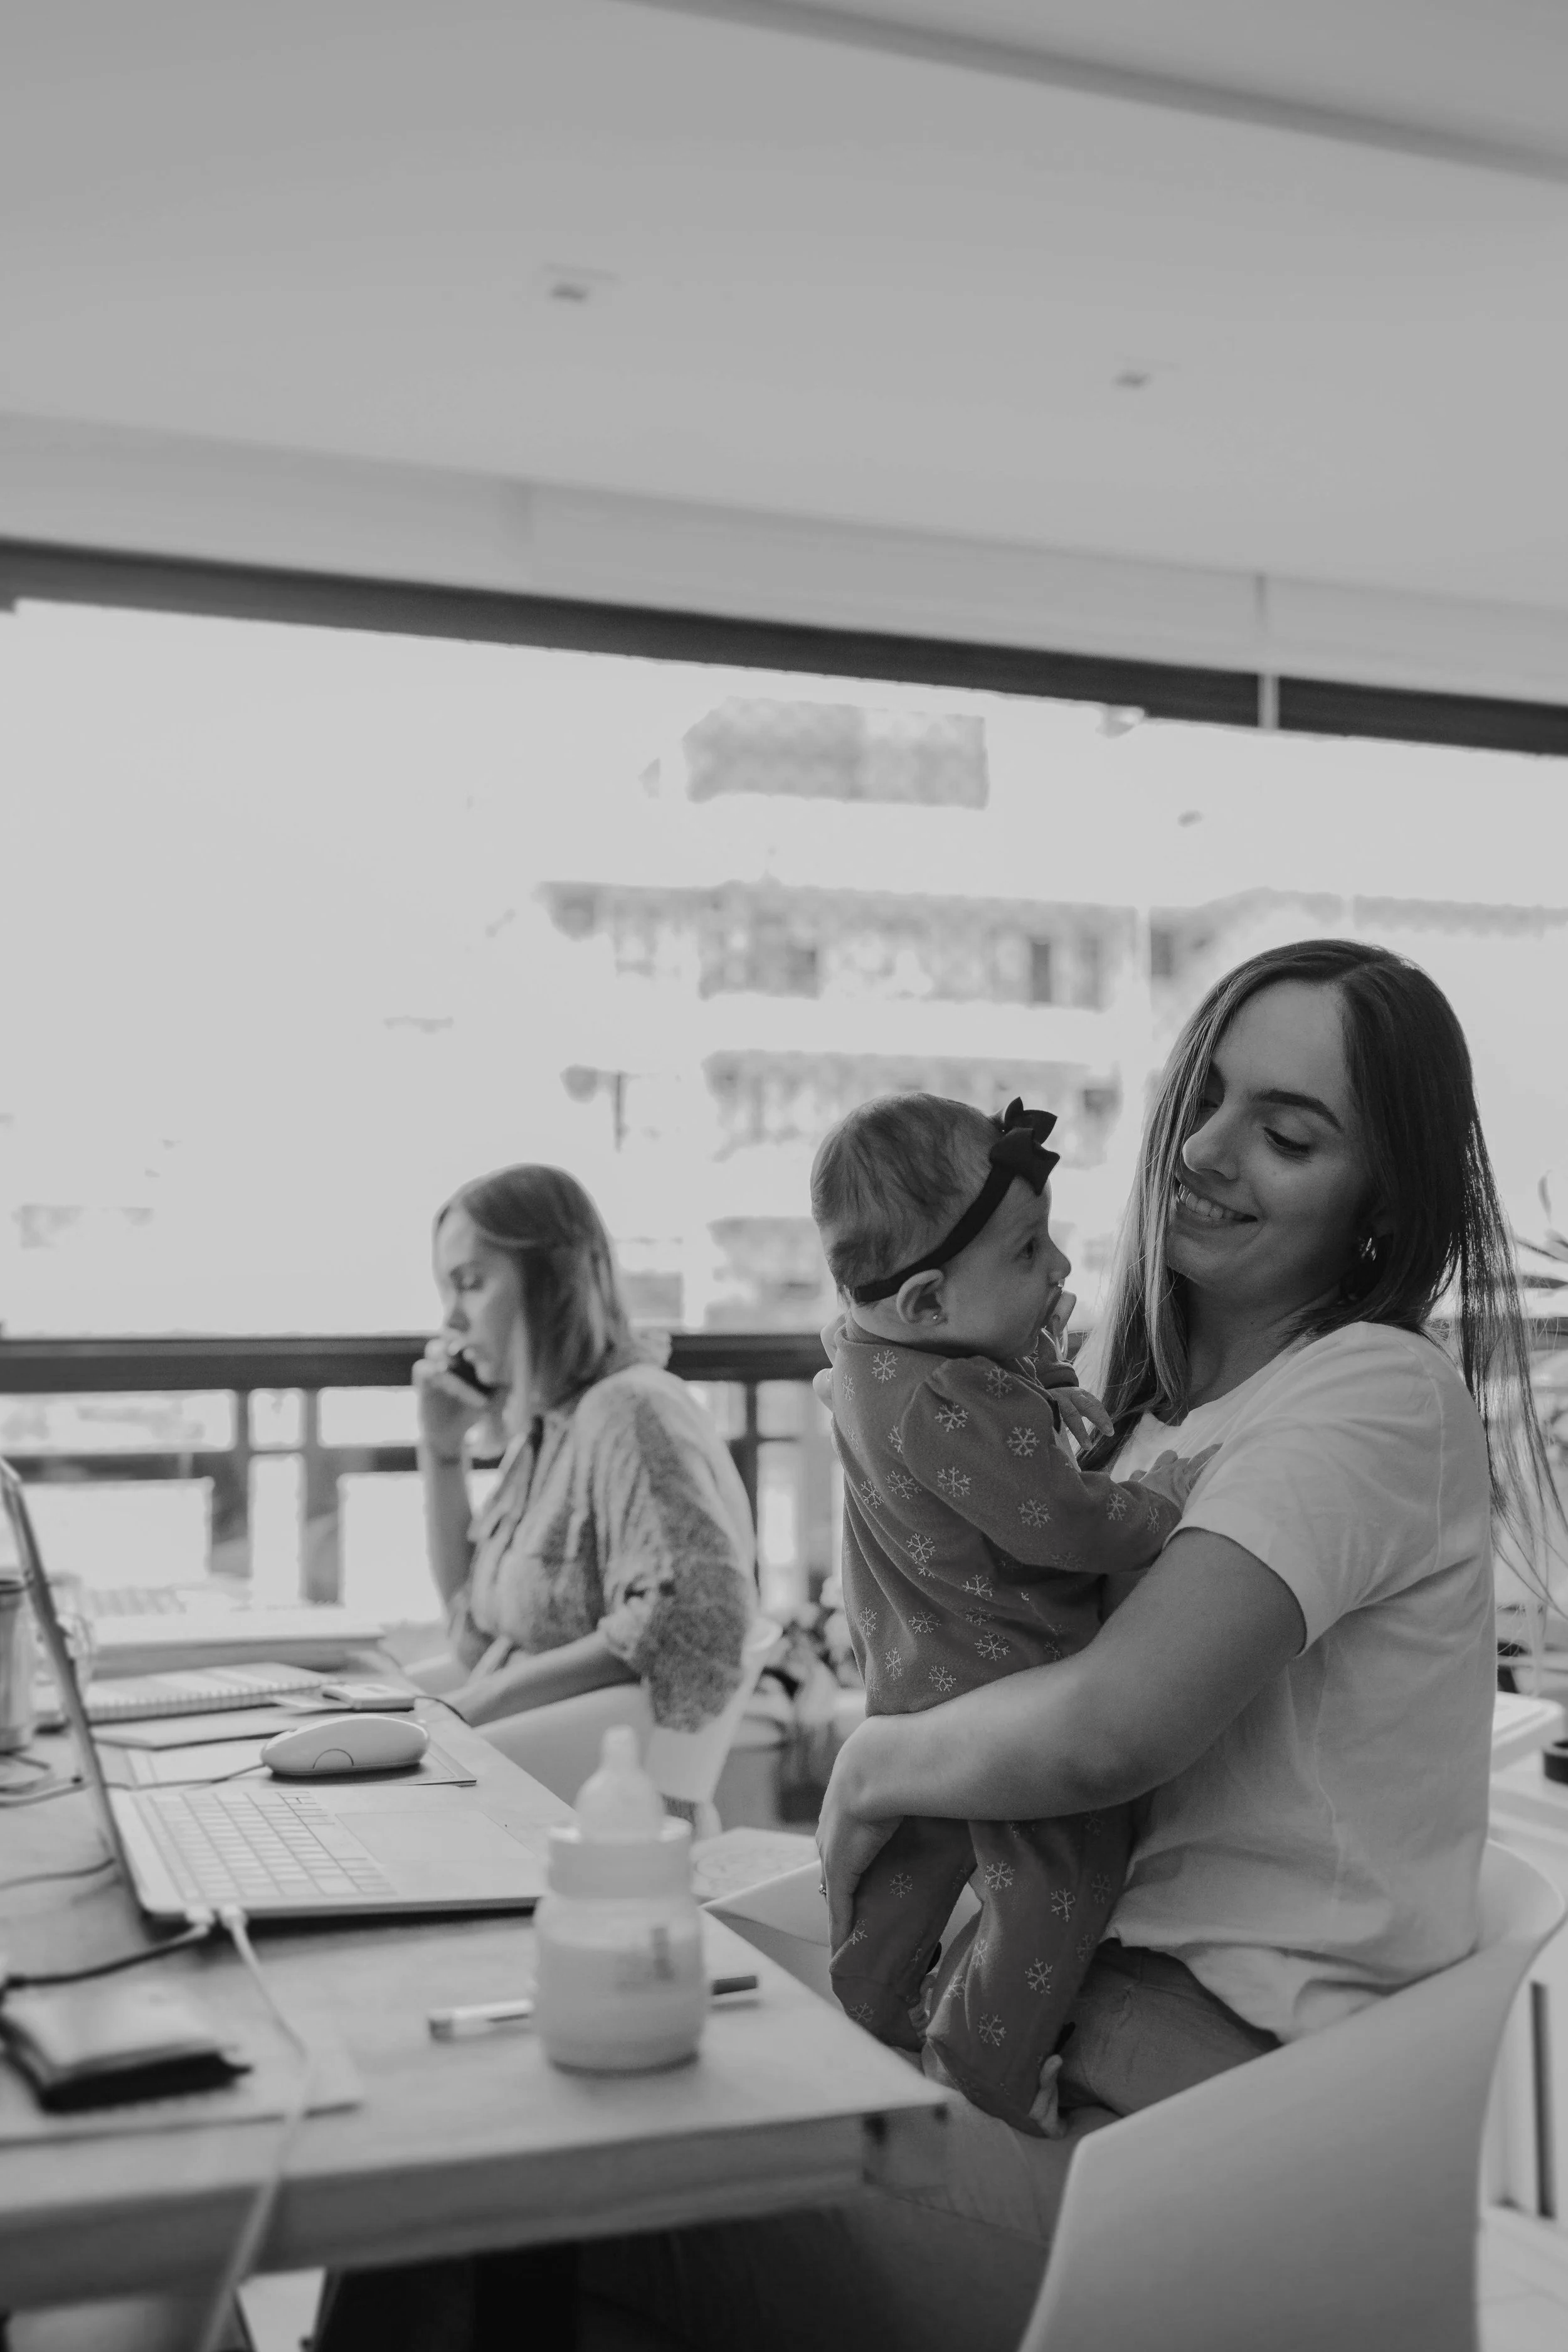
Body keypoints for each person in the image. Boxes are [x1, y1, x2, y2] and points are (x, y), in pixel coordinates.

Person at [319, 939, 1553, 2352]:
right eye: (1204, 1096)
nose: (1206, 1150)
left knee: (497, 2185)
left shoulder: (1368, 1394)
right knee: (488, 2131)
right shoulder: (1124, 1413)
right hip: (1043, 2021)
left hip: (1178, 2153)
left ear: (1378, 1198)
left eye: (1283, 1131)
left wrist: (867, 1769)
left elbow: (1108, 1725)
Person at [809, 1090, 1209, 2132]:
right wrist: (1160, 1505)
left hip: (917, 1671)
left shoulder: (865, 1359)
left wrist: (1040, 1380)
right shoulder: (956, 1400)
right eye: (1030, 1251)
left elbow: (986, 1421)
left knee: (913, 1864)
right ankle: (981, 2071)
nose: (1063, 1270)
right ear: (932, 1300)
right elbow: (1059, 1521)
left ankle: (863, 2009)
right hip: (1013, 1684)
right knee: (1053, 1882)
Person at [411, 1163, 756, 1750]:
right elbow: (470, 1634)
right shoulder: (554, 1430)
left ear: (550, 1282)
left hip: (584, 1808)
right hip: (523, 1779)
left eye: (470, 1283)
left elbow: (695, 1619)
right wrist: (442, 1455)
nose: (451, 1320)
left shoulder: (630, 1411)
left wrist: (470, 1709)